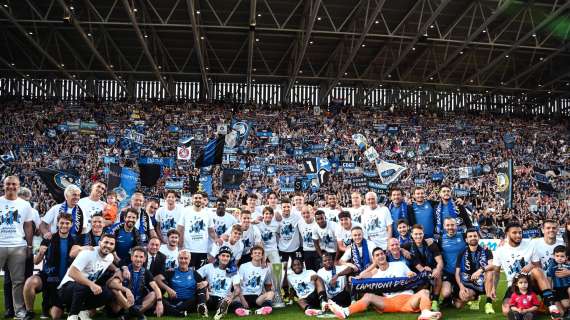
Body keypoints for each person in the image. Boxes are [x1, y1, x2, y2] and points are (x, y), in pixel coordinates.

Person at [327, 247, 442, 320]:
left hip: (408, 299)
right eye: (377, 255)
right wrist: (355, 279)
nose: (380, 256)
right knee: (368, 296)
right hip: (389, 302)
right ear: (374, 259)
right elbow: (361, 277)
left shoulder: (400, 264)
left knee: (424, 292)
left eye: (382, 254)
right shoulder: (374, 274)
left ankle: (425, 313)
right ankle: (345, 312)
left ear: (385, 255)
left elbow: (411, 274)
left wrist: (411, 274)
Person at [490, 222, 561, 317]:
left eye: (520, 232)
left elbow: (537, 265)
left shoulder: (530, 244)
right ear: (507, 234)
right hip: (514, 284)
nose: (518, 235)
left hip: (530, 281)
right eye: (514, 233)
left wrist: (531, 265)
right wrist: (493, 287)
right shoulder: (500, 250)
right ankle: (531, 311)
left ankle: (551, 306)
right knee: (507, 311)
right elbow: (497, 272)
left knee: (537, 270)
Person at [22, 213, 81, 320]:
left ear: (71, 224)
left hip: (66, 280)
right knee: (30, 282)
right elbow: (36, 262)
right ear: (57, 224)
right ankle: (29, 312)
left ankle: (64, 306)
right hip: (49, 277)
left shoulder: (75, 241)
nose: (64, 225)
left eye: (67, 223)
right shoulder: (49, 238)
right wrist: (40, 253)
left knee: (56, 315)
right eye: (62, 223)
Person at [57, 234, 124, 320]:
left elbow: (106, 263)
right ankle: (72, 315)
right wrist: (91, 284)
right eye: (106, 242)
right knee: (84, 284)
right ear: (100, 243)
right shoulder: (88, 253)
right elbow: (72, 273)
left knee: (107, 293)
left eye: (111, 244)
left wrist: (117, 270)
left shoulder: (110, 257)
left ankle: (83, 311)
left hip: (83, 291)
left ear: (114, 246)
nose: (108, 245)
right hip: (66, 289)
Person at [0, 176, 34, 319]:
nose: (11, 186)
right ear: (4, 185)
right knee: (14, 282)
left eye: (14, 184)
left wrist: (30, 245)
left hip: (18, 246)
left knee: (18, 281)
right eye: (8, 184)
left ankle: (19, 311)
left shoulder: (25, 205)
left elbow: (28, 226)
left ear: (19, 186)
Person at [403, 224, 444, 311]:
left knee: (438, 273)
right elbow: (394, 247)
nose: (418, 236)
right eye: (416, 234)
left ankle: (435, 301)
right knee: (423, 288)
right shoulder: (408, 245)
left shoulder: (430, 243)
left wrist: (436, 270)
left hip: (431, 269)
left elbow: (440, 261)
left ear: (423, 234)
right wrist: (402, 250)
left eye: (420, 234)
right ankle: (425, 299)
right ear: (411, 235)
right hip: (418, 273)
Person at [155, 250, 208, 317]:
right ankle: (177, 311)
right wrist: (168, 289)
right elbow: (156, 279)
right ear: (178, 259)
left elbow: (204, 284)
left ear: (189, 260)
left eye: (186, 258)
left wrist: (205, 283)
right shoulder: (172, 271)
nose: (183, 261)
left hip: (190, 302)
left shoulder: (194, 273)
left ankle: (201, 306)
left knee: (202, 286)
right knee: (158, 298)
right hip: (175, 301)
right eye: (181, 258)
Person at [454, 227, 495, 313]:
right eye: (470, 236)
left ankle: (488, 304)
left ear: (478, 237)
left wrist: (480, 270)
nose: (473, 238)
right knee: (460, 303)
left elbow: (492, 265)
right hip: (468, 282)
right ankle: (475, 297)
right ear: (466, 239)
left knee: (490, 272)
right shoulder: (462, 252)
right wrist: (461, 287)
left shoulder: (486, 250)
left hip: (482, 281)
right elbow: (457, 273)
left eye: (475, 236)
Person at [198, 246, 242, 320]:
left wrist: (231, 296)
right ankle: (203, 307)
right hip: (209, 297)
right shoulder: (209, 267)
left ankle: (221, 311)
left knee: (224, 301)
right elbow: (196, 276)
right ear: (218, 256)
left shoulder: (234, 271)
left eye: (228, 256)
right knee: (202, 285)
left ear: (230, 258)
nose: (225, 258)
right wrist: (205, 282)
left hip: (222, 298)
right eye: (223, 255)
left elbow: (237, 288)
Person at [177, 192, 219, 268]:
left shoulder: (207, 214)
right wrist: (179, 244)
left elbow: (211, 231)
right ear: (192, 200)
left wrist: (217, 239)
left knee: (200, 275)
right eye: (196, 198)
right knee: (188, 272)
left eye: (200, 198)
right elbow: (179, 229)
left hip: (202, 250)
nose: (198, 200)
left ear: (203, 200)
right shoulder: (185, 212)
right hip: (188, 249)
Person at [122, 246, 164, 320]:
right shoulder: (125, 270)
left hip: (138, 302)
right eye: (136, 256)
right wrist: (126, 290)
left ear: (144, 259)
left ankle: (130, 314)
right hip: (124, 302)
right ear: (131, 257)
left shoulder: (146, 272)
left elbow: (155, 287)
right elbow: (112, 284)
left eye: (141, 257)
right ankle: (136, 314)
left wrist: (159, 302)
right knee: (116, 291)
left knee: (153, 294)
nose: (138, 259)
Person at [234, 245, 274, 316]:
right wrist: (243, 300)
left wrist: (270, 295)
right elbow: (238, 285)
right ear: (251, 255)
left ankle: (263, 309)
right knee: (235, 296)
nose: (257, 254)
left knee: (271, 293)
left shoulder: (266, 269)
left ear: (262, 256)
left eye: (259, 253)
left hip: (257, 298)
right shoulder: (243, 266)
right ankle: (241, 310)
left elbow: (267, 285)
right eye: (255, 253)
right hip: (244, 295)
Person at [439, 217, 466, 308]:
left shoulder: (463, 236)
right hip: (448, 272)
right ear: (444, 226)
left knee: (459, 306)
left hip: (461, 273)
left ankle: (455, 295)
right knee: (446, 293)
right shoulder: (441, 239)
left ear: (456, 226)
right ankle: (448, 297)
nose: (450, 227)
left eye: (452, 225)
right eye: (447, 225)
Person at [545, 245, 570, 313]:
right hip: (559, 288)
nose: (559, 258)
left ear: (566, 257)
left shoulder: (568, 265)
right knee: (566, 305)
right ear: (554, 256)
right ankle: (565, 309)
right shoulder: (552, 266)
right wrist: (550, 289)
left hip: (568, 286)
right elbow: (549, 277)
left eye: (562, 256)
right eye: (557, 256)